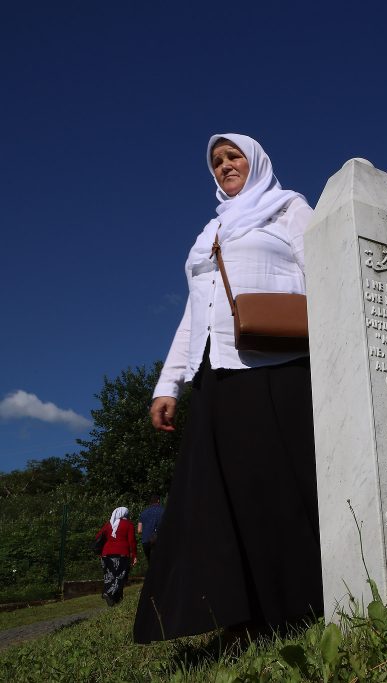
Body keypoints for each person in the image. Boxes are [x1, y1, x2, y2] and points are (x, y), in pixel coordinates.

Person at [134, 134, 324, 644]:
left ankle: (301, 601)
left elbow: (326, 276)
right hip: (215, 374)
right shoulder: (210, 233)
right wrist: (168, 383)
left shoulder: (289, 209)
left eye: (233, 155)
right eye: (216, 162)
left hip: (276, 367)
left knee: (275, 487)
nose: (224, 166)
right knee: (217, 497)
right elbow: (195, 313)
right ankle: (240, 616)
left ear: (256, 160)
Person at [95, 506, 137, 607]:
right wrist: (134, 555)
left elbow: (98, 537)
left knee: (109, 576)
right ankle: (108, 593)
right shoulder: (129, 524)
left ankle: (115, 601)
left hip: (105, 554)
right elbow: (131, 541)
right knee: (120, 576)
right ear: (126, 514)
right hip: (121, 554)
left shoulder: (109, 524)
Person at [137, 495, 164, 561]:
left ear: (150, 502)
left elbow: (139, 530)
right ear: (158, 501)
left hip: (146, 541)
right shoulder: (164, 511)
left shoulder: (143, 513)